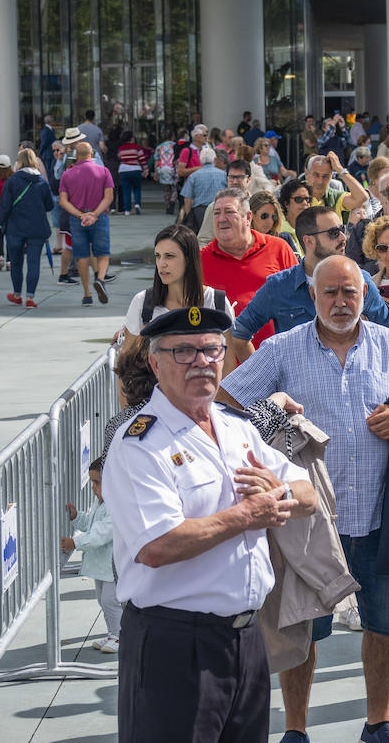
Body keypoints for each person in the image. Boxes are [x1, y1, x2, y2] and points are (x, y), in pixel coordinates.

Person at [218, 256, 389, 743]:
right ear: (312, 296)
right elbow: (227, 407)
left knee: (385, 627)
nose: (341, 302)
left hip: (379, 517)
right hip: (310, 526)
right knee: (303, 632)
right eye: (330, 293)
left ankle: (378, 723)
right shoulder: (281, 349)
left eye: (350, 293)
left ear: (365, 295)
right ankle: (296, 729)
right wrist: (271, 411)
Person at [104, 306, 316, 743]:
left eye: (213, 349)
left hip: (245, 640)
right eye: (184, 351)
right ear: (155, 361)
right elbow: (157, 546)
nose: (202, 361)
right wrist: (248, 515)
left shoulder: (237, 427)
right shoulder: (140, 445)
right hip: (175, 645)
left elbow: (308, 493)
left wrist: (279, 492)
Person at [229, 205, 389, 358]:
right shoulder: (279, 286)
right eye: (333, 233)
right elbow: (239, 335)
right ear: (308, 241)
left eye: (342, 229)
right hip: (295, 389)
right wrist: (264, 380)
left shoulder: (360, 279)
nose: (343, 237)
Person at [198, 188, 298, 349]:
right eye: (217, 213)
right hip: (223, 365)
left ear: (248, 217)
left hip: (276, 359)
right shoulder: (200, 260)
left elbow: (300, 299)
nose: (221, 218)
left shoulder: (279, 248)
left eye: (229, 212)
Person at [122, 224, 239, 352]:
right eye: (158, 256)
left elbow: (228, 365)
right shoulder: (142, 302)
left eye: (169, 256)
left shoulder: (216, 302)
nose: (161, 264)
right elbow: (127, 365)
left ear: (188, 259)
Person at [62, 456, 120, 653]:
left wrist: (74, 543)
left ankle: (119, 636)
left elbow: (99, 534)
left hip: (113, 565)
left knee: (110, 601)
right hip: (100, 566)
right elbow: (90, 523)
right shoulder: (100, 503)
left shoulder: (116, 507)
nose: (93, 487)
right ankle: (113, 633)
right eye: (92, 482)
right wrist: (77, 517)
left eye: (97, 482)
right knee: (101, 599)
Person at [0, 147, 55, 308]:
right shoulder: (42, 182)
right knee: (33, 263)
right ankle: (30, 298)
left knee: (16, 263)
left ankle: (16, 294)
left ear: (19, 162)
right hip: (37, 229)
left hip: (15, 228)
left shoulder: (12, 181)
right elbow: (49, 205)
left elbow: (5, 206)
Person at [58, 142, 114, 306]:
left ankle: (87, 294)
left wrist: (81, 215)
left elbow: (63, 201)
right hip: (99, 217)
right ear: (91, 155)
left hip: (77, 220)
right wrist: (95, 214)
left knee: (82, 256)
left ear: (76, 156)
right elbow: (108, 197)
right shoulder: (103, 171)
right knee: (103, 254)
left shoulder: (67, 174)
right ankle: (101, 279)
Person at [195, 159, 255, 247]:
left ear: (249, 179)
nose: (234, 182)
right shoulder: (214, 208)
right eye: (231, 177)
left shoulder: (256, 205)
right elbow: (204, 240)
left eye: (239, 177)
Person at [305, 152, 369, 221]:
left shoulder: (335, 197)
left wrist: (340, 169)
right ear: (306, 174)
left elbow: (362, 197)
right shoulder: (296, 194)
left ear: (331, 177)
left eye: (326, 176)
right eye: (316, 175)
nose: (320, 181)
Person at [180, 146, 226, 231]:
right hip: (220, 209)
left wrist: (189, 216)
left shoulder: (193, 176)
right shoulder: (224, 174)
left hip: (200, 211)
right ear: (214, 159)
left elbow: (187, 199)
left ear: (200, 160)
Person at [115, 130, 147, 215]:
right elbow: (142, 159)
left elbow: (119, 157)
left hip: (124, 171)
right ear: (132, 138)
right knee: (137, 188)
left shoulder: (120, 149)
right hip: (136, 170)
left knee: (126, 190)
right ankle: (137, 205)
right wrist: (145, 169)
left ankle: (127, 210)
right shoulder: (137, 147)